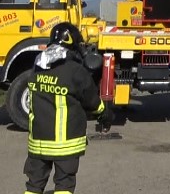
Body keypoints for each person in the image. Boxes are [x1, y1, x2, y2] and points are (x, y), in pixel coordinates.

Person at [24, 22, 112, 194]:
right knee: (64, 185)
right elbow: (92, 102)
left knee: (34, 185)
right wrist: (105, 112)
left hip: (38, 143)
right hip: (66, 145)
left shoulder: (38, 67)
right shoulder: (75, 70)